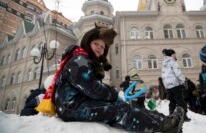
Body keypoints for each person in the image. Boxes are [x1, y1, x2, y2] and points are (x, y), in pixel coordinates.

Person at [37, 23, 184, 133]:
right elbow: (92, 88)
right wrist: (113, 93)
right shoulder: (79, 60)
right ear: (87, 43)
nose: (99, 48)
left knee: (126, 105)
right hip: (72, 107)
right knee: (117, 110)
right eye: (96, 44)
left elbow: (92, 88)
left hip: (78, 104)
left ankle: (165, 120)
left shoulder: (84, 59)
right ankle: (162, 127)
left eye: (102, 46)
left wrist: (112, 95)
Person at [161, 49, 191, 122]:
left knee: (172, 100)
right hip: (174, 84)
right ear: (172, 54)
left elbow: (163, 75)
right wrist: (183, 81)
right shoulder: (172, 62)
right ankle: (183, 116)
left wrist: (166, 85)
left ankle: (171, 113)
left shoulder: (164, 63)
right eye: (175, 54)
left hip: (168, 86)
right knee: (180, 100)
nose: (176, 55)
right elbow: (178, 72)